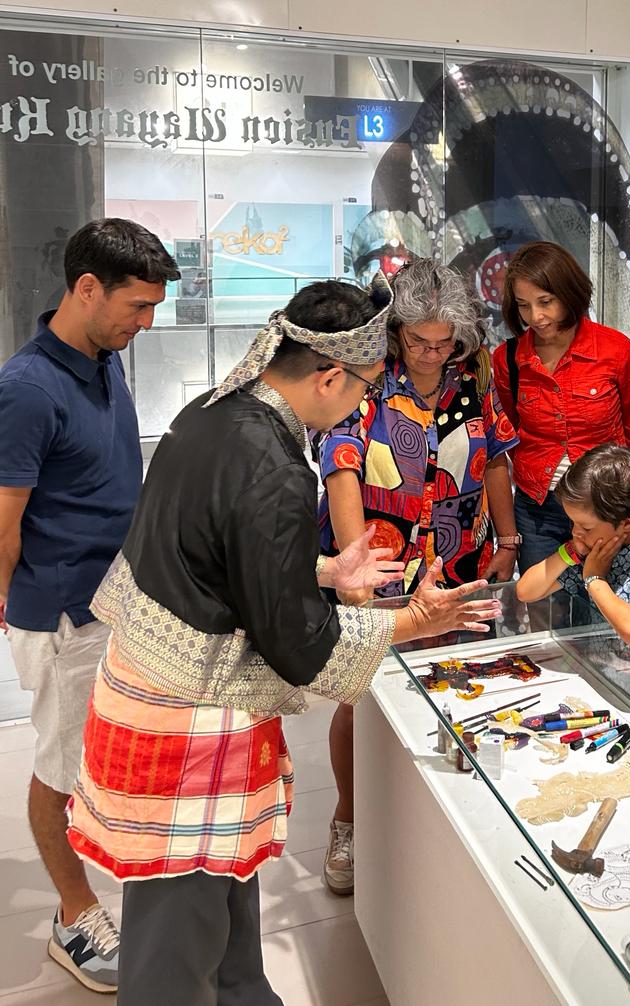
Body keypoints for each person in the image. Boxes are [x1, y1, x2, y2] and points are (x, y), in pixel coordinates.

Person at [66, 275, 501, 1006]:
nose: (367, 401)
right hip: (188, 722)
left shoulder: (213, 411)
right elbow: (300, 645)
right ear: (329, 373)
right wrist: (414, 621)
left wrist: (326, 567)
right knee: (176, 940)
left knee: (224, 906)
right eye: (364, 386)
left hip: (151, 688)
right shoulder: (274, 468)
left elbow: (220, 554)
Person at [0, 218, 180, 993]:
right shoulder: (26, 390)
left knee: (108, 757)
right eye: (136, 307)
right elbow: (3, 522)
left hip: (118, 602)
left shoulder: (102, 359)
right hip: (64, 610)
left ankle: (118, 882)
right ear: (85, 289)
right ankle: (74, 919)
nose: (146, 323)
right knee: (60, 764)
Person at [313, 259, 518, 896]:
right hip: (382, 564)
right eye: (419, 340)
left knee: (456, 689)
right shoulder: (368, 379)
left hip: (459, 560)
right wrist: (356, 568)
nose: (432, 354)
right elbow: (341, 465)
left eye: (444, 341)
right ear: (396, 331)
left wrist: (508, 539)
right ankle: (349, 816)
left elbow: (495, 462)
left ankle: (440, 813)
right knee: (363, 694)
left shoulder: (473, 381)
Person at [492, 241, 630, 573]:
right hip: (538, 506)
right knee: (545, 606)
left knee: (606, 598)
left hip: (604, 506)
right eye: (524, 306)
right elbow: (513, 431)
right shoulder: (507, 359)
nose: (536, 316)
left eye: (546, 302)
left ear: (569, 292)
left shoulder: (616, 351)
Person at [515, 443, 630, 663]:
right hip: (603, 671)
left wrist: (593, 579)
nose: (575, 532)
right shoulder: (591, 549)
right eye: (572, 523)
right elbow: (526, 591)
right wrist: (568, 553)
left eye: (586, 527)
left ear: (626, 523)